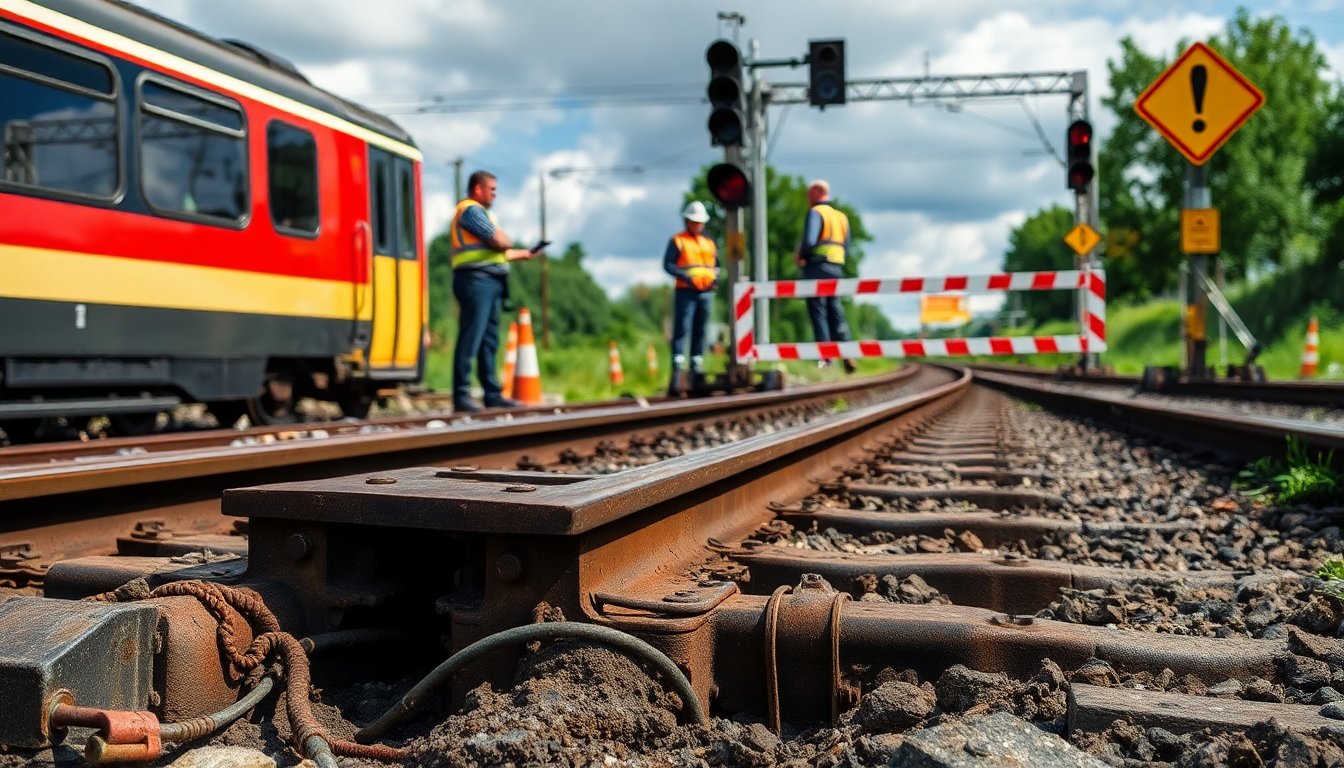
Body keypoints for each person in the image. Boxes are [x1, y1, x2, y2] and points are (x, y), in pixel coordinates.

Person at [450, 170, 540, 412]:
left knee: (489, 340)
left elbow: (498, 250)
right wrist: (506, 239)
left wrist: (524, 254)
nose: (495, 194)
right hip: (475, 281)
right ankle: (461, 395)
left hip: (488, 281)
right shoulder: (470, 210)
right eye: (492, 189)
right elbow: (500, 242)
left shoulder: (483, 214)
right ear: (477, 189)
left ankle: (492, 394)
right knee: (471, 338)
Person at [795, 179, 857, 374]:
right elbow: (846, 247)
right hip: (836, 267)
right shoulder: (841, 217)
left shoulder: (816, 213)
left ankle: (825, 357)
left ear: (817, 192)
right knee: (835, 309)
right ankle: (846, 350)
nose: (807, 198)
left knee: (818, 310)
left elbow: (809, 240)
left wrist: (802, 256)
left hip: (817, 266)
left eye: (809, 193)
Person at [662, 200, 719, 395]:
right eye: (694, 222)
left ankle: (697, 366)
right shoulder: (678, 240)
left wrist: (714, 280)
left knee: (700, 329)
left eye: (700, 222)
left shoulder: (709, 242)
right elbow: (668, 265)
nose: (697, 225)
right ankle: (678, 366)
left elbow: (715, 266)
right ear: (687, 221)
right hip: (686, 291)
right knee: (683, 327)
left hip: (706, 292)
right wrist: (686, 278)